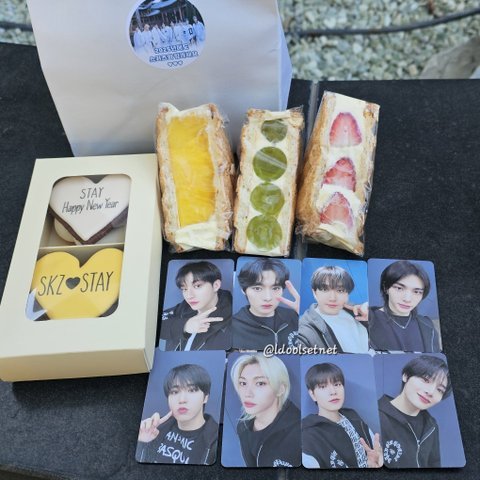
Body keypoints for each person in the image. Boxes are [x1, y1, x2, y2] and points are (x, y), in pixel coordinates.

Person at [302, 363, 383, 469]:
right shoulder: (308, 435)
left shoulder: (353, 417)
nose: (333, 392)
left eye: (337, 384)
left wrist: (377, 464)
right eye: (323, 386)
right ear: (312, 394)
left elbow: (376, 453)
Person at [136, 364, 218, 465]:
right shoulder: (156, 428)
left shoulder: (215, 442)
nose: (182, 400)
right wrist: (142, 442)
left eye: (192, 390)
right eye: (175, 392)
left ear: (205, 398)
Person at [378, 355, 451, 468]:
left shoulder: (431, 426)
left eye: (439, 390)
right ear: (406, 376)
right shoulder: (377, 416)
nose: (431, 392)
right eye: (426, 380)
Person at [230, 353, 301, 467]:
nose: (247, 393)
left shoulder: (301, 431)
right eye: (243, 383)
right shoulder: (243, 426)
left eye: (260, 383)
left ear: (280, 389)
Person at [369, 260, 441, 352]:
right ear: (385, 288)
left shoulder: (427, 325)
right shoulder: (369, 319)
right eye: (399, 288)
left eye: (417, 292)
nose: (407, 299)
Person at [160, 261, 232, 351]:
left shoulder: (235, 318)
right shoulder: (182, 309)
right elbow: (154, 325)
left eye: (197, 286)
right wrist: (185, 326)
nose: (189, 295)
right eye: (184, 289)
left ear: (216, 285)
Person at [297, 266, 368, 353]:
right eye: (325, 289)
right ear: (314, 292)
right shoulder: (304, 329)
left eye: (340, 290)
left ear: (347, 294)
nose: (332, 298)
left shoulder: (358, 311)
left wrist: (373, 317)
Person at [232, 258, 299, 350]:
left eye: (275, 288)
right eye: (257, 288)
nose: (268, 298)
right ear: (244, 290)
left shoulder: (296, 317)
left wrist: (307, 318)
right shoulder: (231, 327)